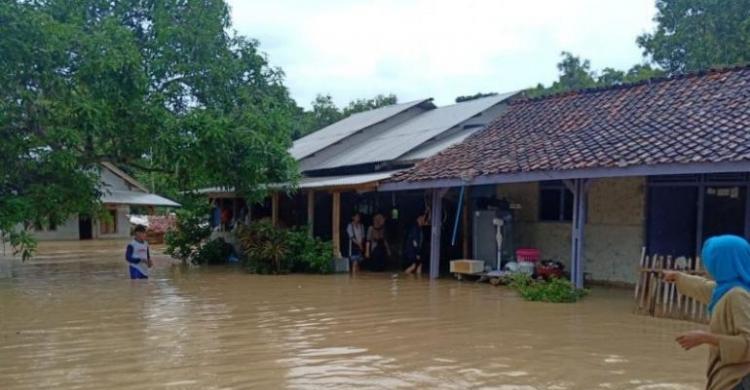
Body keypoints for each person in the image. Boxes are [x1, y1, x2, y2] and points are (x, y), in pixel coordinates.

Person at [663, 235, 750, 390]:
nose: (709, 266)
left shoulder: (738, 295)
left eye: (712, 260)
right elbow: (704, 287)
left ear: (723, 263)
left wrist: (705, 338)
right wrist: (678, 277)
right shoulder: (731, 289)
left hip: (738, 380)